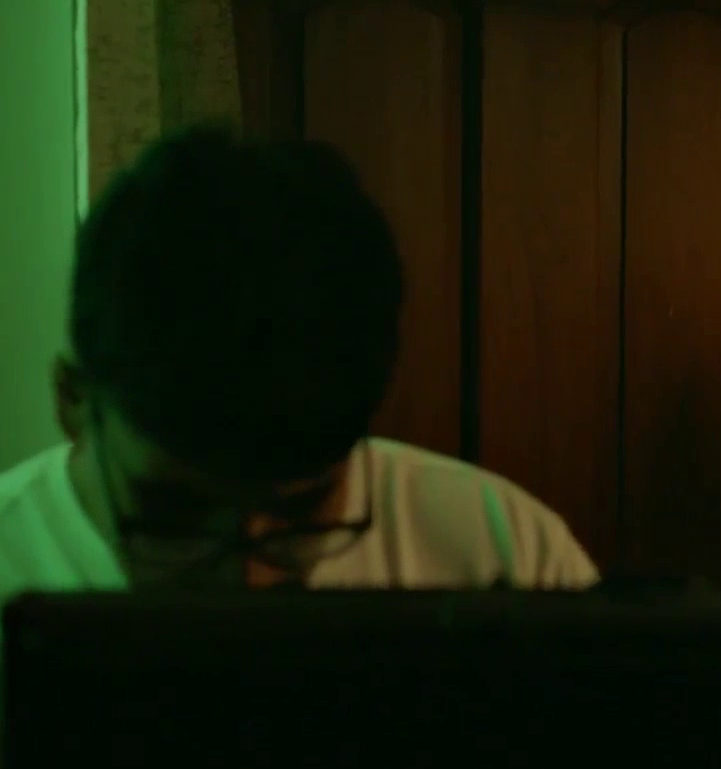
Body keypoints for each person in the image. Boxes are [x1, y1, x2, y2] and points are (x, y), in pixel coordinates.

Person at [0, 125, 599, 605]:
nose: (248, 583)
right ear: (73, 400)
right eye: (175, 514)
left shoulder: (503, 557)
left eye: (300, 513)